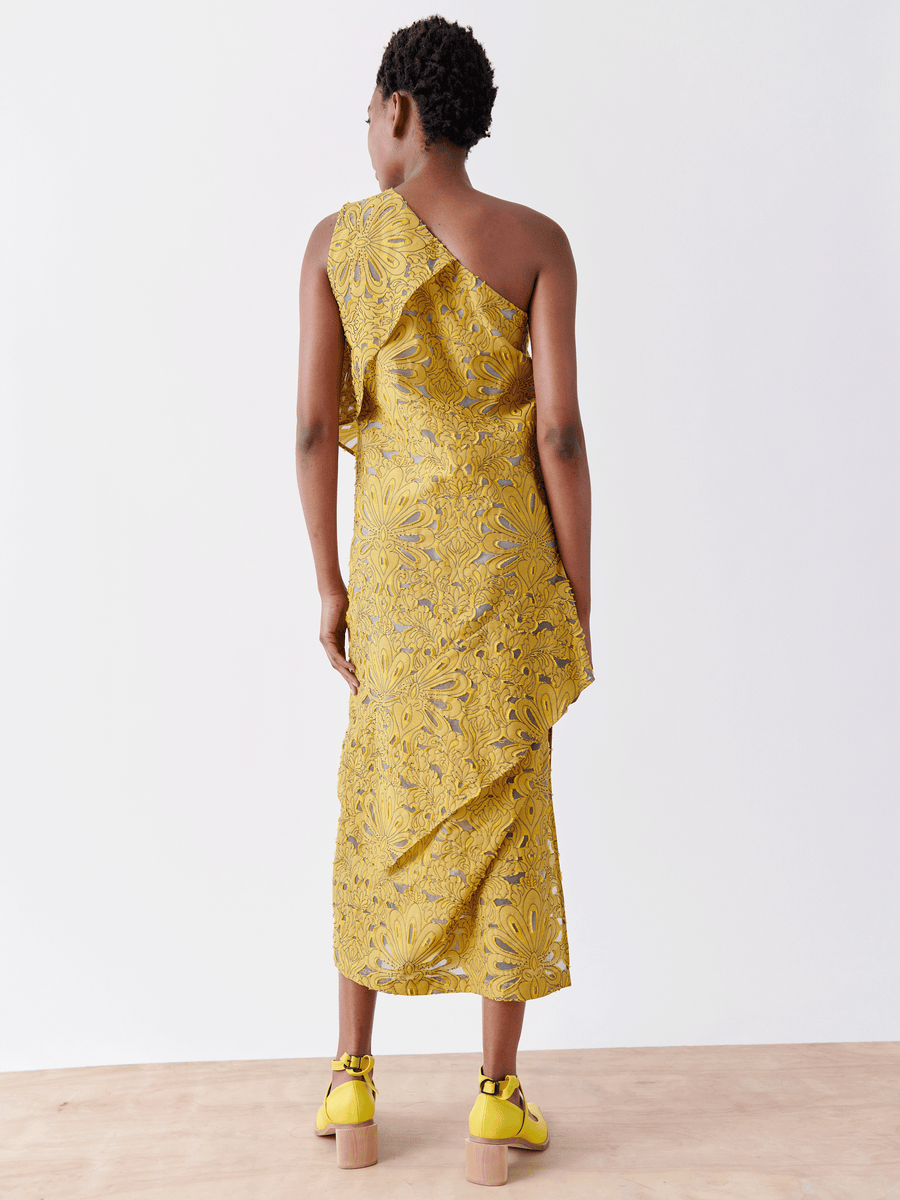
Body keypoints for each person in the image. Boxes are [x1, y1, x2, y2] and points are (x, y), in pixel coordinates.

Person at [295, 15, 593, 1186]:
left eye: (371, 113)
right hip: (510, 576)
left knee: (377, 796)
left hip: (399, 586)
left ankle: (353, 1081)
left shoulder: (335, 243)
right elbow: (561, 434)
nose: (369, 133)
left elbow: (316, 427)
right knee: (512, 805)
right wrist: (579, 588)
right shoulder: (539, 243)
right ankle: (495, 1105)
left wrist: (328, 580)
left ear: (403, 113)